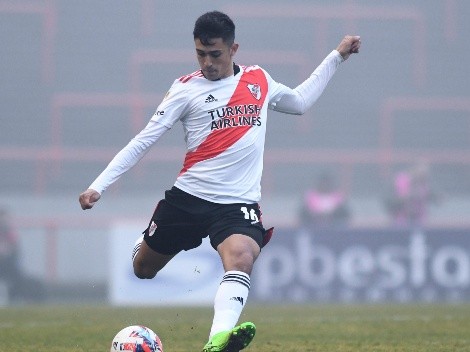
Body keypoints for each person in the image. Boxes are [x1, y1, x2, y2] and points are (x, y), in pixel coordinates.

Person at [79, 11, 360, 352]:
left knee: (242, 256)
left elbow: (299, 102)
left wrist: (337, 56)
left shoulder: (259, 80)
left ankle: (217, 340)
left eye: (215, 54)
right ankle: (147, 240)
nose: (207, 63)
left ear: (233, 49)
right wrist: (99, 185)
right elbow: (144, 139)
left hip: (236, 203)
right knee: (143, 269)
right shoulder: (185, 90)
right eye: (200, 54)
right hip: (188, 199)